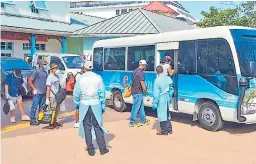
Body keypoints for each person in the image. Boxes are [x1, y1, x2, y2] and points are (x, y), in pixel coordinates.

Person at [73, 60, 109, 156]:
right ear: (92, 68)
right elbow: (102, 93)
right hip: (96, 103)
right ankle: (102, 149)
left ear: (84, 68)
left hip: (84, 104)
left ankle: (90, 150)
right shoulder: (98, 77)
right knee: (98, 126)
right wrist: (102, 104)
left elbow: (76, 93)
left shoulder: (81, 78)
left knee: (87, 127)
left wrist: (77, 104)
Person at [152, 65, 174, 135]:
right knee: (167, 114)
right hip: (167, 97)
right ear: (162, 71)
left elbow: (156, 93)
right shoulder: (168, 78)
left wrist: (155, 103)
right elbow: (171, 89)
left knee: (162, 115)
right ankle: (170, 129)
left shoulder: (157, 80)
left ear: (157, 72)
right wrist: (169, 97)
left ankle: (164, 131)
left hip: (161, 98)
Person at [129, 59, 150, 127]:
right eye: (145, 65)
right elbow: (143, 84)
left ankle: (143, 120)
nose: (145, 67)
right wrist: (147, 93)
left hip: (134, 91)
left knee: (141, 107)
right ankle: (132, 122)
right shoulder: (141, 73)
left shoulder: (134, 71)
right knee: (135, 107)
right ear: (143, 65)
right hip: (138, 92)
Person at [28, 59, 48, 126]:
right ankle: (32, 120)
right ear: (41, 65)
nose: (45, 65)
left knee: (42, 107)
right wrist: (34, 89)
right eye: (44, 64)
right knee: (35, 106)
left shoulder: (45, 72)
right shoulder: (36, 72)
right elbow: (30, 80)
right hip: (37, 92)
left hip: (43, 92)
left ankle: (40, 118)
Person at [45, 63, 62, 129]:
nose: (57, 69)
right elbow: (48, 88)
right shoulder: (50, 77)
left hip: (57, 96)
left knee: (57, 110)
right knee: (53, 110)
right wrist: (47, 98)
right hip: (52, 96)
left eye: (57, 68)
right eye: (55, 68)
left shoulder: (57, 76)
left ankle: (55, 121)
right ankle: (51, 123)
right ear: (52, 70)